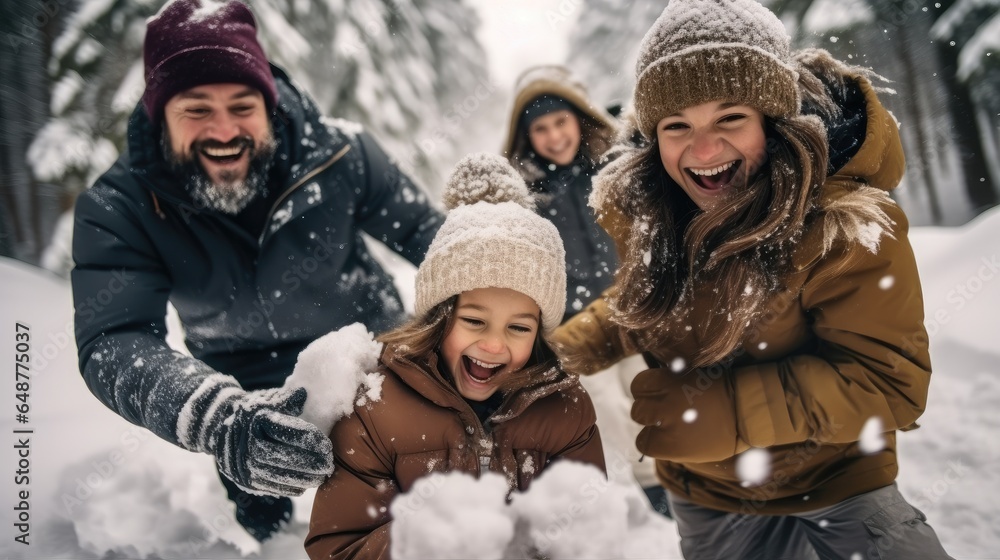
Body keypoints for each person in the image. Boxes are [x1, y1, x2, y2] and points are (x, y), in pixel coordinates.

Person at [552, 0, 954, 558]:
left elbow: (891, 383)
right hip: (707, 496)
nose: (704, 148)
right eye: (676, 126)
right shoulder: (662, 213)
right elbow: (635, 306)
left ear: (772, 117)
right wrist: (548, 355)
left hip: (835, 485)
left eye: (730, 117)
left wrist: (732, 413)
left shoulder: (843, 226)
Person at [70, 0, 443, 542]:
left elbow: (430, 237)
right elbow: (114, 337)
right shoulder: (119, 205)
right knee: (268, 526)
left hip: (367, 350)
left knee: (403, 504)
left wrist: (493, 306)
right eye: (195, 109)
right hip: (239, 385)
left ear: (268, 105)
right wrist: (215, 415)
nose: (224, 129)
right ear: (159, 114)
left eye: (243, 106)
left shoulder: (342, 155)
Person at [305, 153, 606, 559]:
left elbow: (592, 533)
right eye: (475, 321)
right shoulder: (374, 409)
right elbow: (339, 548)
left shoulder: (564, 407)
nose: (494, 345)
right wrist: (432, 537)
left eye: (518, 328)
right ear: (439, 318)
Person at [501, 65, 671, 516]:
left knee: (647, 388)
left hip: (631, 307)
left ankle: (671, 475)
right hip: (573, 322)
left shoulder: (615, 164)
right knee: (607, 406)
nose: (555, 136)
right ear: (526, 136)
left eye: (561, 121)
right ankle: (648, 489)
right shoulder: (526, 195)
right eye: (541, 128)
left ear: (579, 118)